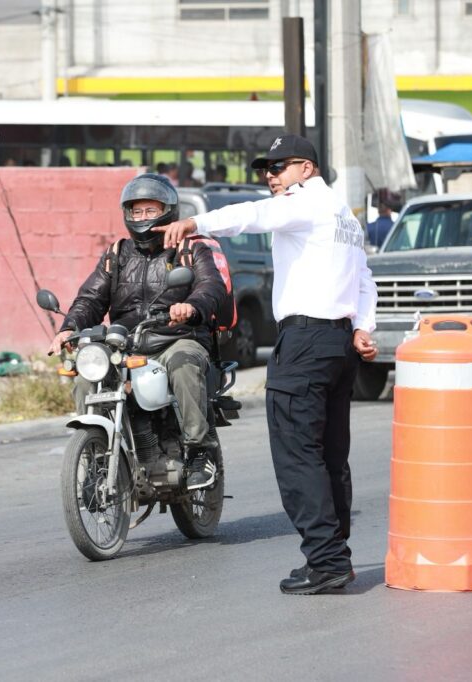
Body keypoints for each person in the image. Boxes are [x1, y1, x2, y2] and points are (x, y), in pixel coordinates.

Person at [155, 134, 378, 594]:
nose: (270, 177)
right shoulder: (343, 215)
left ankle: (327, 559)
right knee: (331, 456)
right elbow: (364, 277)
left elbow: (253, 215)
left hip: (306, 343)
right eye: (266, 170)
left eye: (279, 168)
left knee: (298, 455)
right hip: (338, 343)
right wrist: (362, 326)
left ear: (307, 169)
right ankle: (334, 555)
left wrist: (196, 221)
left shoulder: (305, 202)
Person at [49, 173, 227, 489]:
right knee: (85, 376)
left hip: (175, 338)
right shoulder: (118, 254)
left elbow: (210, 286)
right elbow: (91, 297)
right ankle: (97, 455)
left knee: (184, 363)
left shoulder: (190, 248)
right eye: (137, 211)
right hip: (126, 344)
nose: (143, 218)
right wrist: (70, 328)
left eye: (151, 210)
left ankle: (200, 452)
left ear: (168, 210)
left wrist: (192, 306)